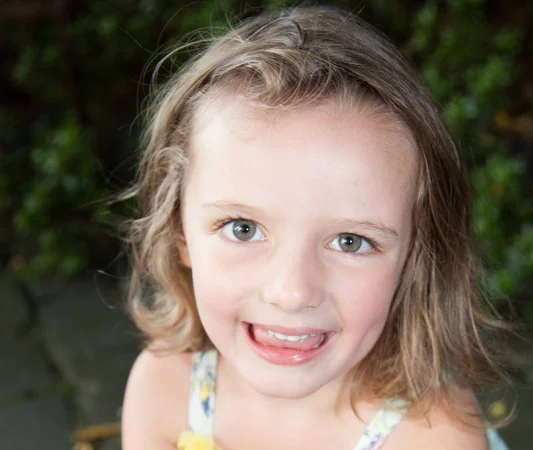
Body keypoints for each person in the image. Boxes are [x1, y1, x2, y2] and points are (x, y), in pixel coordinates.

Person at [121, 5, 512, 450]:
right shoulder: (165, 390)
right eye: (243, 228)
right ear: (180, 236)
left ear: (414, 255)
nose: (291, 292)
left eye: (350, 241)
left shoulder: (435, 434)